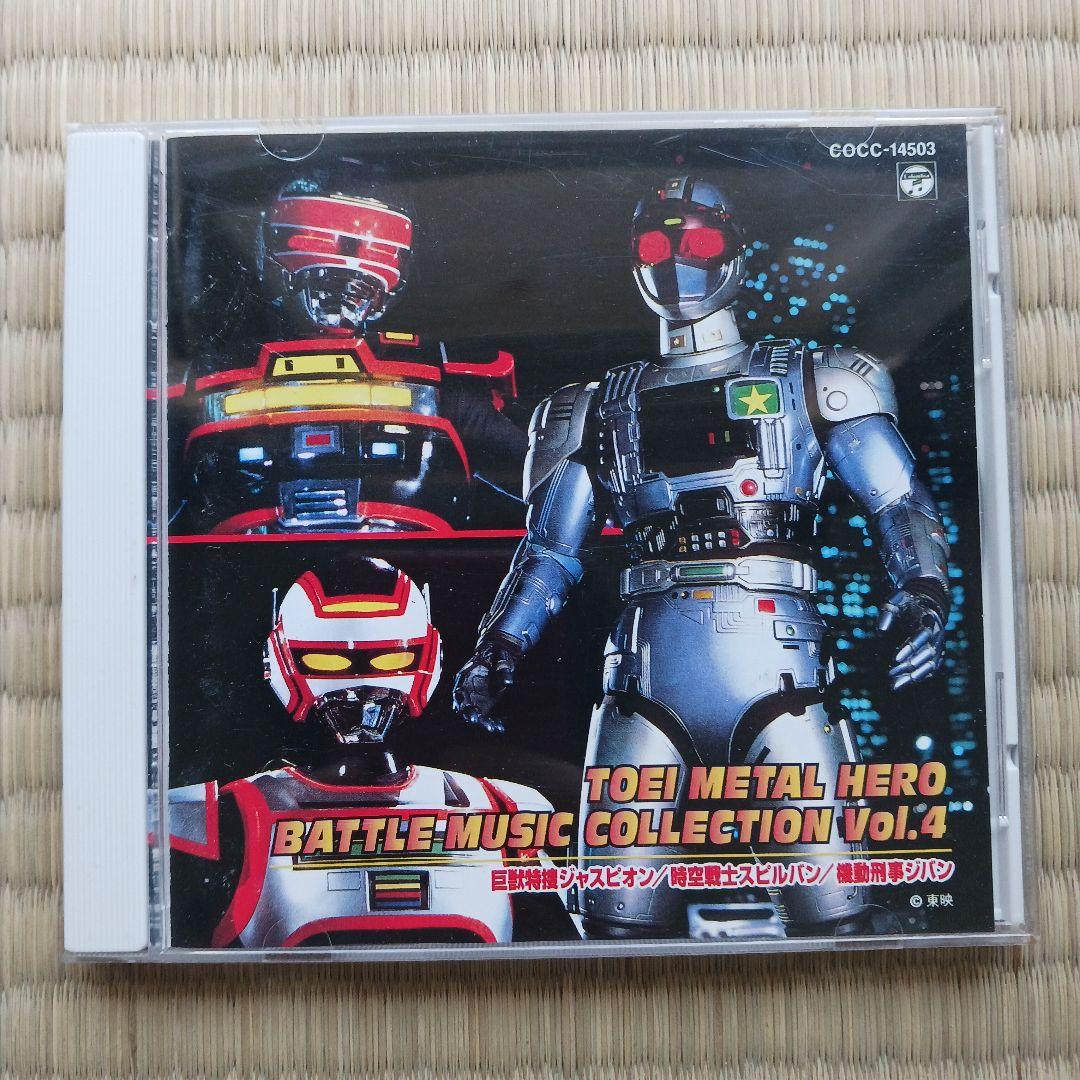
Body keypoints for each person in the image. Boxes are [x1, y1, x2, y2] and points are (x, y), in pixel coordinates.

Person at [453, 176, 950, 939]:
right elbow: (549, 550)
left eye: (697, 241)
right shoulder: (596, 408)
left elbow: (898, 501)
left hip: (777, 673)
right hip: (648, 678)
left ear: (734, 252)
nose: (676, 260)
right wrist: (501, 644)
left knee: (836, 918)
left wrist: (922, 587)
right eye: (656, 243)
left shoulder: (814, 380)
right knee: (613, 925)